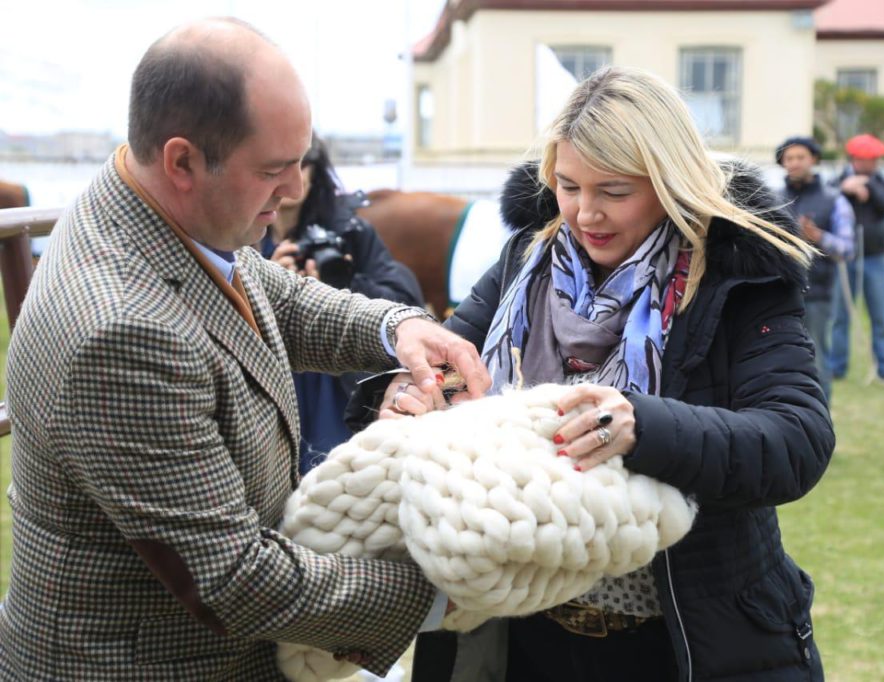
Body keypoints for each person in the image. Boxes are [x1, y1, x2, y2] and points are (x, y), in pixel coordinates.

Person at [0, 18, 489, 680]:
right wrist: (447, 592)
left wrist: (397, 329)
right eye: (273, 170)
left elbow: (275, 296)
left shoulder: (148, 203)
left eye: (300, 161)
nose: (294, 192)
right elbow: (233, 577)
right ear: (182, 161)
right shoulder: (119, 335)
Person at [360, 67, 834, 682]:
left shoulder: (737, 279)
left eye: (614, 190)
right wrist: (405, 391)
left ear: (670, 181)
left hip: (678, 643)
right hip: (516, 633)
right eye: (567, 186)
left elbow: (796, 440)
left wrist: (648, 427)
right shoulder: (523, 261)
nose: (586, 213)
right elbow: (451, 361)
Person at [260, 133, 424, 473]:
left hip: (335, 378)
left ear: (316, 171)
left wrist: (340, 285)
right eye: (276, 166)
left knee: (332, 467)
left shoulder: (349, 231)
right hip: (273, 375)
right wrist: (270, 281)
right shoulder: (241, 236)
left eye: (302, 163)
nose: (292, 177)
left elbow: (406, 298)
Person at [776, 136, 854, 404]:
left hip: (817, 294)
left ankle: (820, 424)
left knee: (817, 359)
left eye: (800, 157)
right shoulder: (772, 199)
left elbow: (846, 248)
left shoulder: (834, 200)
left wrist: (818, 236)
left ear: (814, 160)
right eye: (789, 158)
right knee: (777, 362)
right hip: (777, 292)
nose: (794, 163)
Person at [829, 133, 884, 385]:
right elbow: (826, 199)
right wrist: (844, 189)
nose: (873, 164)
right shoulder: (837, 182)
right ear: (855, 159)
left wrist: (868, 188)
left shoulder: (881, 182)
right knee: (840, 315)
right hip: (843, 259)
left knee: (880, 316)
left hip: (875, 258)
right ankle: (836, 367)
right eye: (869, 159)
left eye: (875, 159)